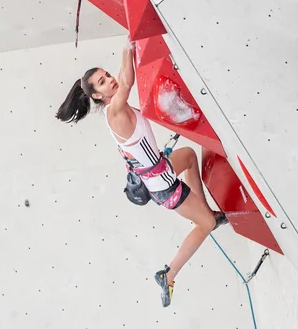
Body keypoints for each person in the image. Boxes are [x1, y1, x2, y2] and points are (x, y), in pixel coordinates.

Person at [55, 39, 228, 307]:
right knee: (205, 225)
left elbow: (123, 86)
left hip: (160, 171)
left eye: (107, 75)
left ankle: (207, 211)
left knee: (190, 157)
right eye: (102, 82)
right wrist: (128, 48)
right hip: (164, 187)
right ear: (97, 95)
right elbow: (127, 81)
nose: (109, 81)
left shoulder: (113, 113)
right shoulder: (114, 111)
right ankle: (168, 274)